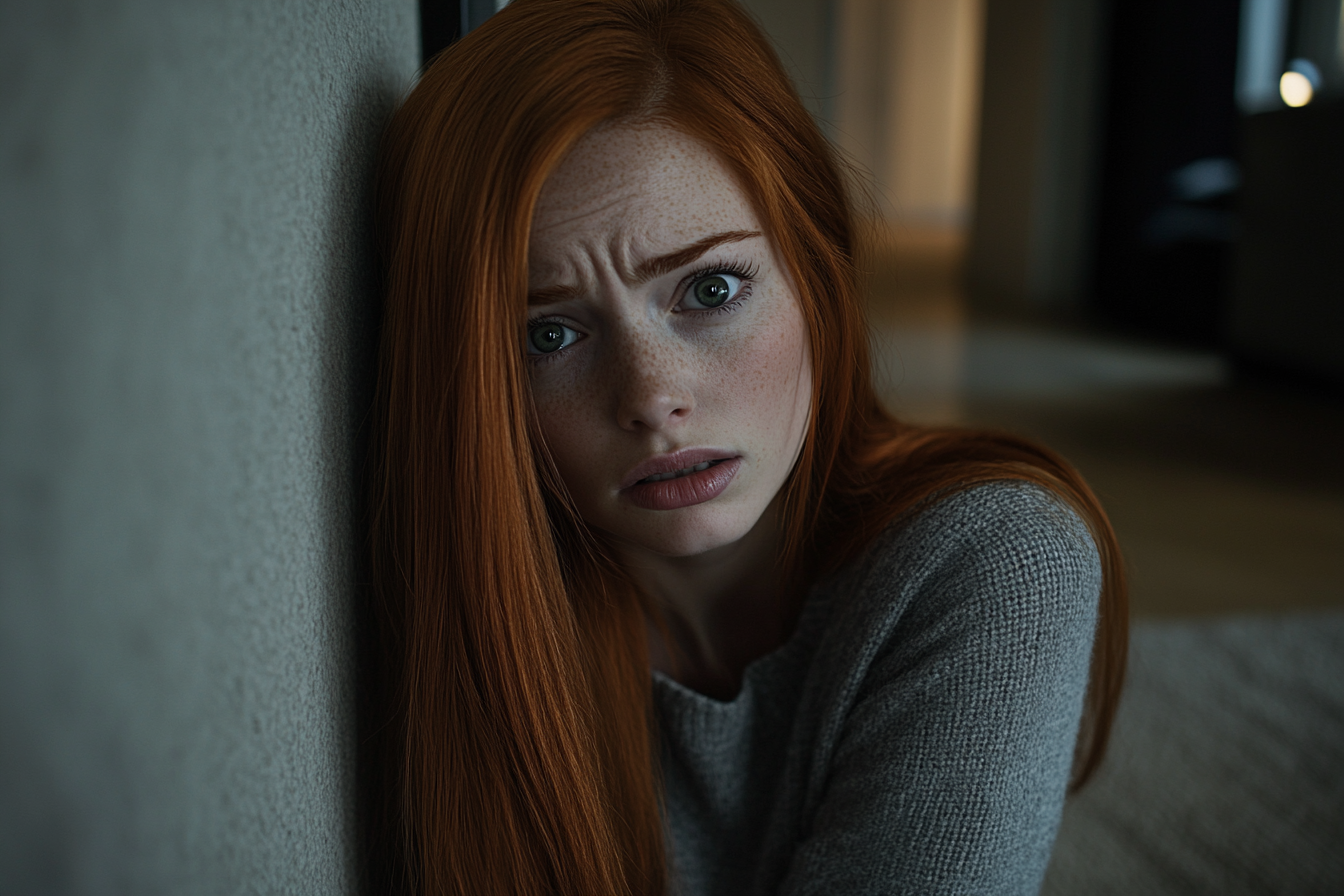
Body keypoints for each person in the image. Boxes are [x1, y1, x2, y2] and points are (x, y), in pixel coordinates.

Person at [366, 0, 1128, 892]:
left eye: (712, 287)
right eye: (549, 337)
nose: (653, 399)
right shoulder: (473, 617)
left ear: (817, 272)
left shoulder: (993, 558)